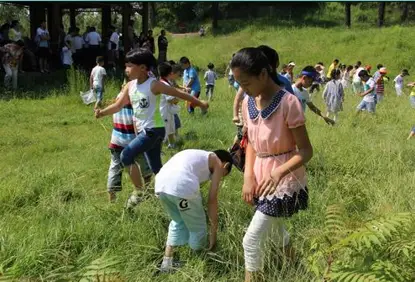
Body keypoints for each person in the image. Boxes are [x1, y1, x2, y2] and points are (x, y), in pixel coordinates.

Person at [230, 47, 313, 282]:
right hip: (259, 175)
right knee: (276, 229)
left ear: (263, 75)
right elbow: (253, 145)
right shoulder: (248, 103)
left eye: (245, 83)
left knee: (251, 240)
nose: (242, 90)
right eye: (238, 83)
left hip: (284, 176)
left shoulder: (289, 103)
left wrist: (277, 173)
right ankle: (297, 264)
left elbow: (306, 151)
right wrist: (248, 177)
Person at [94, 48, 209, 210]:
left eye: (129, 66)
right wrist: (102, 113)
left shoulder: (153, 85)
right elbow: (118, 105)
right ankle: (175, 195)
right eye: (126, 66)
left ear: (142, 68)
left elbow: (179, 93)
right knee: (157, 168)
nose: (126, 69)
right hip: (144, 132)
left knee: (126, 155)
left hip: (154, 130)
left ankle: (139, 192)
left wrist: (200, 102)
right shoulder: (129, 86)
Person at [156, 149, 233, 272]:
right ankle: (197, 263)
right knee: (198, 226)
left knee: (178, 221)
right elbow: (212, 200)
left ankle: (167, 263)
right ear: (226, 165)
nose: (218, 178)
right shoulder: (218, 163)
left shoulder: (199, 156)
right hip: (181, 186)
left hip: (161, 186)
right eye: (223, 175)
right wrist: (213, 234)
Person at [106, 79, 153, 203]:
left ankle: (112, 200)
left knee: (115, 168)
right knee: (145, 166)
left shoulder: (117, 98)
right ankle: (147, 192)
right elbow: (137, 123)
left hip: (116, 141)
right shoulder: (135, 100)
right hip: (133, 142)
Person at [159, 62, 181, 149]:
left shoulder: (160, 82)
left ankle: (172, 144)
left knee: (171, 128)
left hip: (166, 111)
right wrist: (178, 99)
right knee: (164, 130)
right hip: (165, 111)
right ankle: (159, 149)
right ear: (170, 73)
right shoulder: (165, 85)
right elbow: (171, 100)